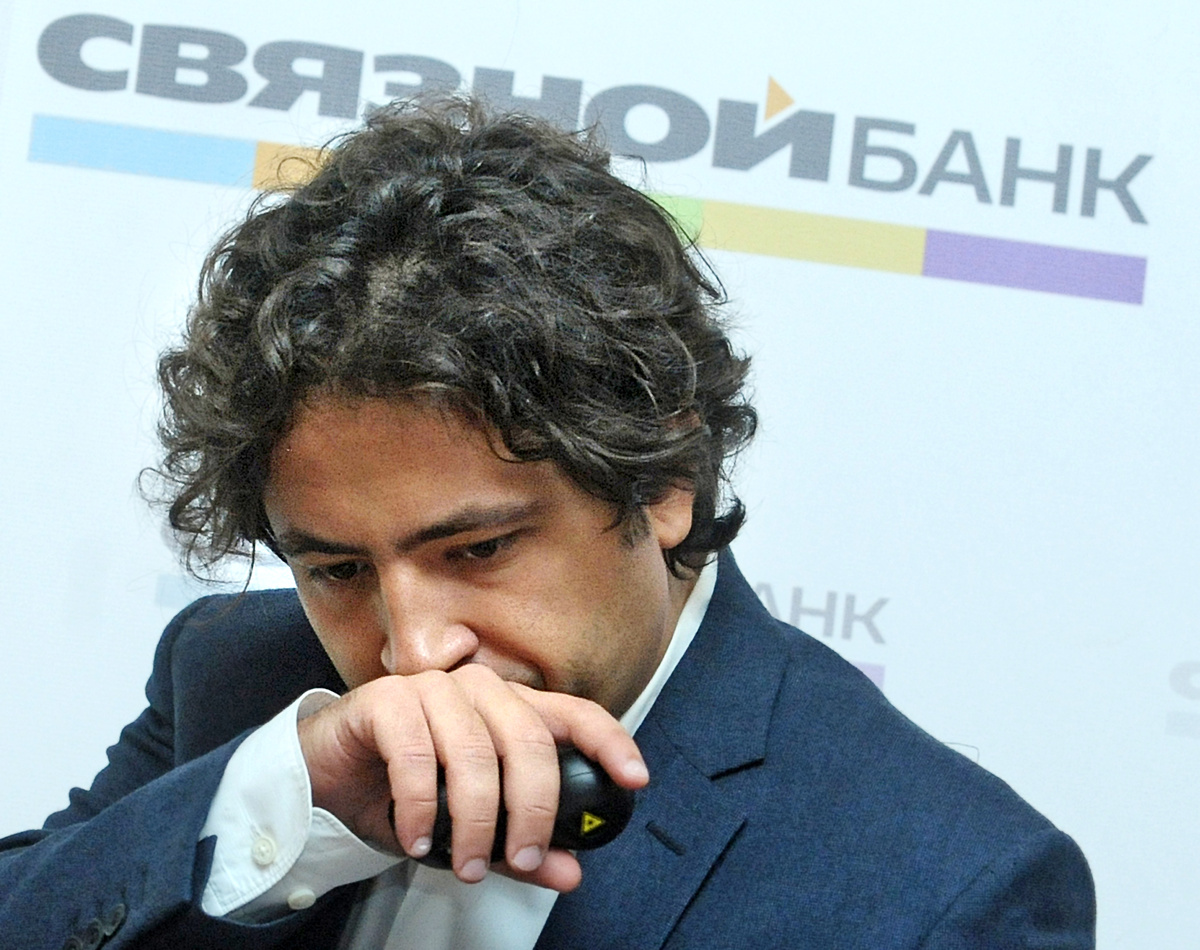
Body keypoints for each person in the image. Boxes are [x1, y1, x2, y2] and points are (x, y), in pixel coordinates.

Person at [0, 96, 1095, 949]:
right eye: (336, 569)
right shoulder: (237, 676)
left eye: (476, 548)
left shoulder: (949, 884)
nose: (412, 650)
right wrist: (281, 806)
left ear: (664, 479)